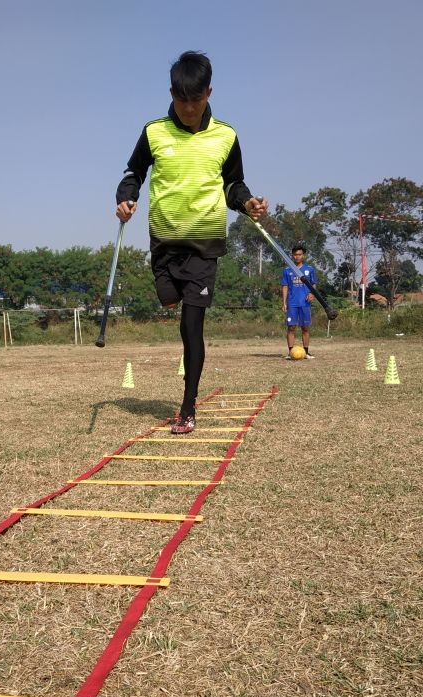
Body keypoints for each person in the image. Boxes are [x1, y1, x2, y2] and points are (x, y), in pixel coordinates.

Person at [115, 51, 268, 435]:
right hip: (164, 242)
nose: (188, 107)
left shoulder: (226, 136)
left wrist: (247, 203)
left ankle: (187, 407)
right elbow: (134, 171)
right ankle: (171, 295)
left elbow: (233, 184)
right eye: (181, 99)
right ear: (171, 93)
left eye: (195, 100)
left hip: (204, 243)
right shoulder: (154, 132)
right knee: (169, 300)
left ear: (208, 93)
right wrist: (126, 195)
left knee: (191, 324)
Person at [281, 243, 317, 359]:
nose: (297, 257)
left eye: (300, 254)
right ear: (292, 256)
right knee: (291, 327)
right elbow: (285, 286)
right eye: (295, 255)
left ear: (303, 256)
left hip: (305, 303)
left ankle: (306, 352)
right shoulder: (287, 270)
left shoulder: (309, 269)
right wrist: (284, 302)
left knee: (305, 327)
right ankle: (291, 352)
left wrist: (312, 294)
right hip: (292, 303)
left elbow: (314, 284)